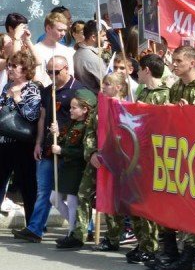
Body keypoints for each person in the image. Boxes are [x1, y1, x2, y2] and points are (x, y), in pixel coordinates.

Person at [12, 56, 85, 243]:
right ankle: (35, 229)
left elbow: (85, 118)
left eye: (56, 72)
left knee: (70, 194)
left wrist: (64, 133)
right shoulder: (47, 91)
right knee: (43, 191)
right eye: (49, 71)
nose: (53, 75)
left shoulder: (78, 90)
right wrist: (38, 142)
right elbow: (42, 119)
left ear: (67, 69)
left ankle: (84, 228)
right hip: (48, 148)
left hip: (68, 149)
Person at [155, 47, 195, 270]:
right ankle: (173, 251)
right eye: (174, 60)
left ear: (192, 63)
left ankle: (190, 255)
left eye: (179, 60)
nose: (174, 64)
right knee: (173, 203)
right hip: (179, 151)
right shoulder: (177, 86)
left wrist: (186, 113)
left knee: (193, 207)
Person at [56, 72, 126, 250]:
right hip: (95, 161)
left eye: (108, 84)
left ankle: (113, 237)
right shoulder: (99, 108)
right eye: (103, 84)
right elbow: (90, 132)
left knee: (111, 199)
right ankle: (78, 234)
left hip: (116, 162)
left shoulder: (125, 107)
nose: (104, 88)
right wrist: (92, 152)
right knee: (82, 195)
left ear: (118, 87)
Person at [126, 55, 171, 267]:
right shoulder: (142, 91)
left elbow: (165, 122)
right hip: (139, 151)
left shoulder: (164, 93)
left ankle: (152, 246)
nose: (137, 73)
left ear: (147, 70)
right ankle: (142, 242)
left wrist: (147, 110)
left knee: (149, 203)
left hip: (155, 154)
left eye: (139, 70)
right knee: (135, 202)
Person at [0, 51, 41, 225]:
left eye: (14, 66)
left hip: (23, 143)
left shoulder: (32, 88)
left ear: (25, 69)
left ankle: (33, 225)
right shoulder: (6, 86)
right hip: (4, 142)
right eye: (9, 65)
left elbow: (32, 116)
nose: (10, 68)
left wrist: (18, 99)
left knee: (28, 186)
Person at [49, 90, 96, 235]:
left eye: (74, 108)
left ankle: (72, 232)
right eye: (70, 107)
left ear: (84, 110)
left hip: (78, 168)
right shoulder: (72, 124)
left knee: (72, 201)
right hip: (67, 168)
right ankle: (76, 226)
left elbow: (82, 152)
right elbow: (64, 141)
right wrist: (56, 135)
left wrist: (61, 151)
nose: (70, 110)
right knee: (54, 199)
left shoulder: (87, 128)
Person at [32, 11, 75, 85]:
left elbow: (70, 75)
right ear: (48, 28)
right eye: (60, 30)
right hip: (43, 94)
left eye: (65, 30)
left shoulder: (67, 51)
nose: (63, 34)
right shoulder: (35, 50)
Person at [72, 20, 106, 95]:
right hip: (93, 99)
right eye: (103, 36)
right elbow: (106, 83)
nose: (105, 38)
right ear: (93, 37)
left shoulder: (78, 52)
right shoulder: (92, 58)